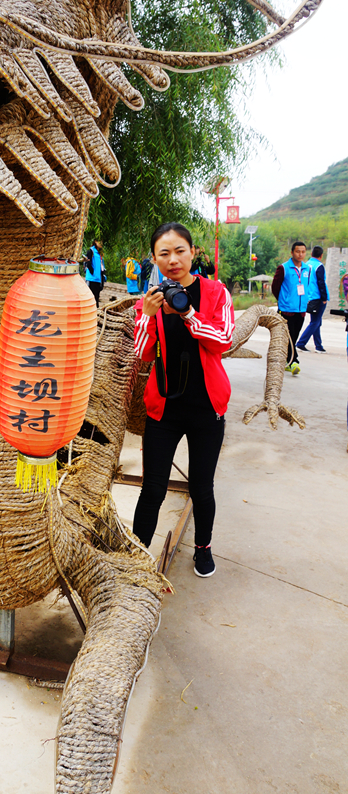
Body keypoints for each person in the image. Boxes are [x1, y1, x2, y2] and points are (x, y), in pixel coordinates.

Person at [133, 222, 234, 578]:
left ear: (193, 252)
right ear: (155, 258)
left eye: (179, 251)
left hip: (207, 407)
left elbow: (223, 340)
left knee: (200, 487)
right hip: (165, 407)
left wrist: (188, 312)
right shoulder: (153, 299)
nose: (173, 259)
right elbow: (142, 354)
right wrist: (146, 316)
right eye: (164, 253)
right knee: (153, 488)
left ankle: (203, 547)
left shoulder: (217, 292)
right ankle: (136, 555)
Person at [271, 241, 313, 374]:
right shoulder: (283, 268)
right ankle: (294, 361)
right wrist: (284, 301)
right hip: (286, 310)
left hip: (301, 310)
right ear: (292, 252)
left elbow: (306, 287)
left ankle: (286, 360)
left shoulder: (307, 269)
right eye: (297, 251)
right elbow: (275, 287)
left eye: (303, 252)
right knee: (288, 337)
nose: (300, 254)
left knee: (293, 337)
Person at [297, 245, 329, 353]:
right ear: (321, 255)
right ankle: (301, 343)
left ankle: (318, 346)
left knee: (316, 322)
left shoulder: (305, 265)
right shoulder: (319, 266)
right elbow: (321, 283)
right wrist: (324, 298)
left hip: (308, 297)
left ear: (311, 254)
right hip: (317, 297)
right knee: (315, 322)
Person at [83, 240, 106, 307]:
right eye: (99, 241)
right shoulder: (91, 251)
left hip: (98, 279)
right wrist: (92, 272)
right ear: (95, 241)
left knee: (96, 299)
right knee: (90, 297)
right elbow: (88, 262)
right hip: (92, 279)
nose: (101, 243)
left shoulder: (99, 254)